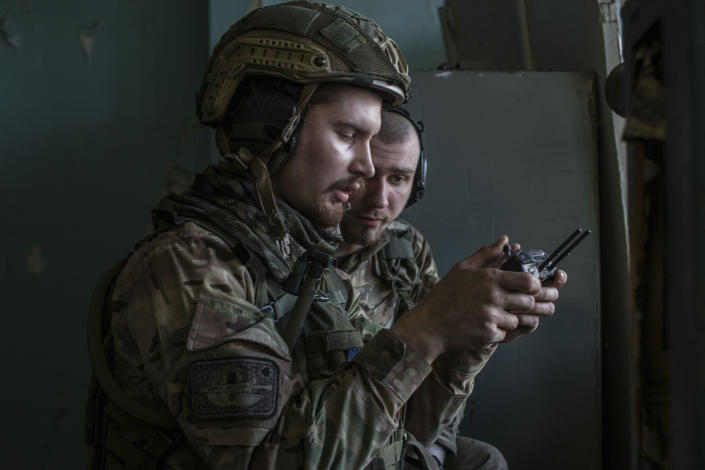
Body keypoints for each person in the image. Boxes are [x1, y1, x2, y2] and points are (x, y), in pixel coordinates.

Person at [85, 2, 565, 469]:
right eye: (348, 135)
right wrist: (430, 325)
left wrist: (468, 338)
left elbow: (402, 432)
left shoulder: (305, 260)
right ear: (272, 125)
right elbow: (267, 457)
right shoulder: (189, 266)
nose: (368, 167)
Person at [336, 107, 518, 470]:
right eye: (368, 177)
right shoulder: (298, 249)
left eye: (399, 179)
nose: (379, 199)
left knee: (484, 461)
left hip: (403, 424)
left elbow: (444, 357)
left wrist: (433, 452)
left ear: (416, 183)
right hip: (333, 426)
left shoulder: (405, 248)